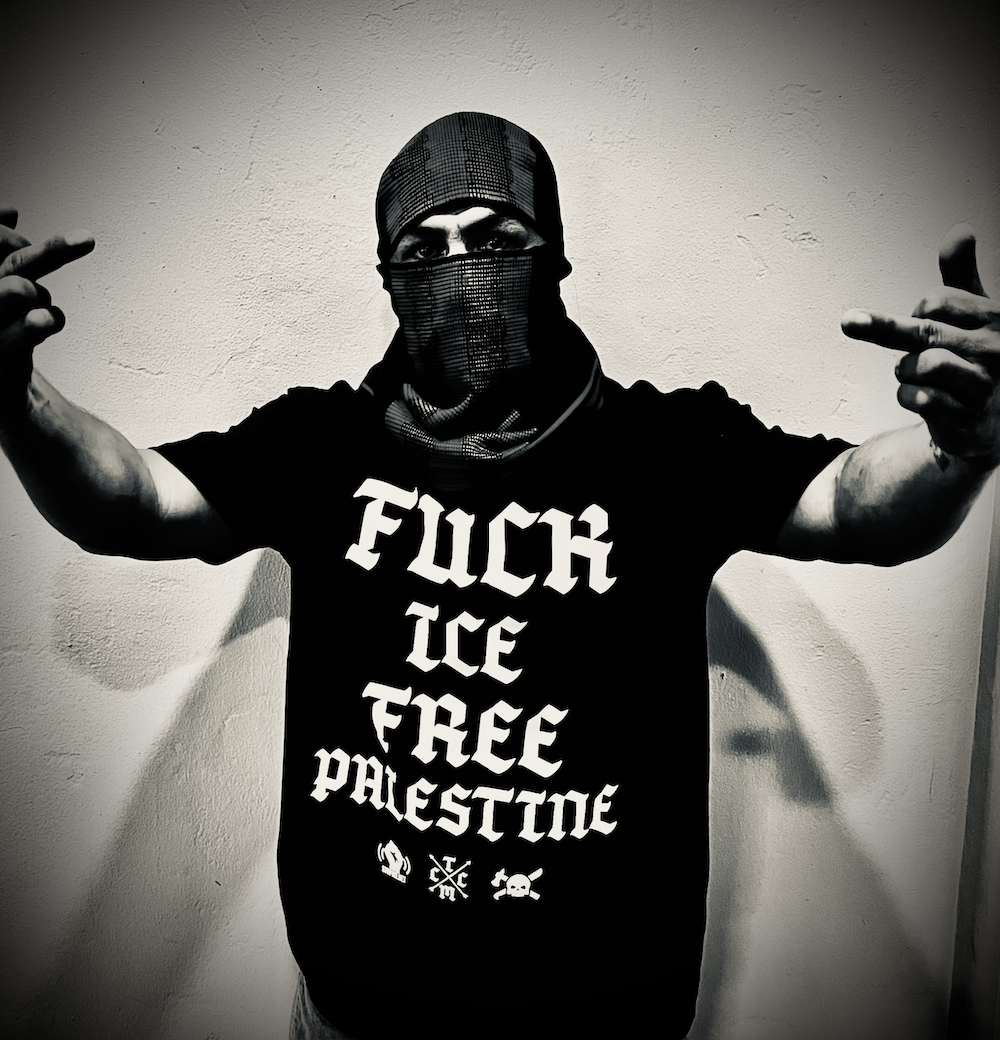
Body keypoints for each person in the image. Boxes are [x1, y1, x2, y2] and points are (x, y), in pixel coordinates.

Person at [1, 112, 998, 1040]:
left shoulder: (669, 444)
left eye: (493, 236)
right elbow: (131, 501)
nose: (460, 268)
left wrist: (959, 447)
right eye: (423, 249)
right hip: (360, 1004)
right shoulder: (322, 443)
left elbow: (855, 506)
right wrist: (17, 399)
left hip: (608, 1007)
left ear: (553, 254)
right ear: (388, 277)